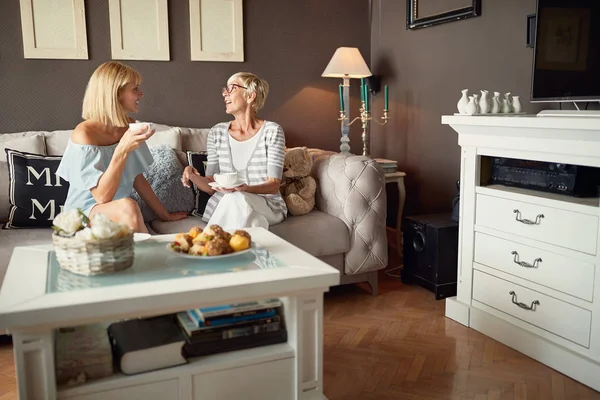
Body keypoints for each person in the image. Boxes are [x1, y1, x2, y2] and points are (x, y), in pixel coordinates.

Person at [57, 61, 188, 233]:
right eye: (135, 89)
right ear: (116, 94)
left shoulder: (129, 126)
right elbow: (102, 197)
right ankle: (153, 255)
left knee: (128, 207)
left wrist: (165, 215)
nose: (141, 94)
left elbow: (137, 178)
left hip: (117, 211)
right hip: (83, 214)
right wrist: (122, 150)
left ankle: (148, 255)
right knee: (128, 206)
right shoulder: (84, 134)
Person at [181, 72, 287, 230]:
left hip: (266, 204)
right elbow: (211, 185)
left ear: (250, 96)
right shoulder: (216, 133)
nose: (224, 93)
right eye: (225, 89)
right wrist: (192, 176)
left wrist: (244, 189)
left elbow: (273, 185)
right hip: (225, 204)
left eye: (232, 88)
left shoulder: (272, 131)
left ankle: (209, 245)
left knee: (237, 197)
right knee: (255, 222)